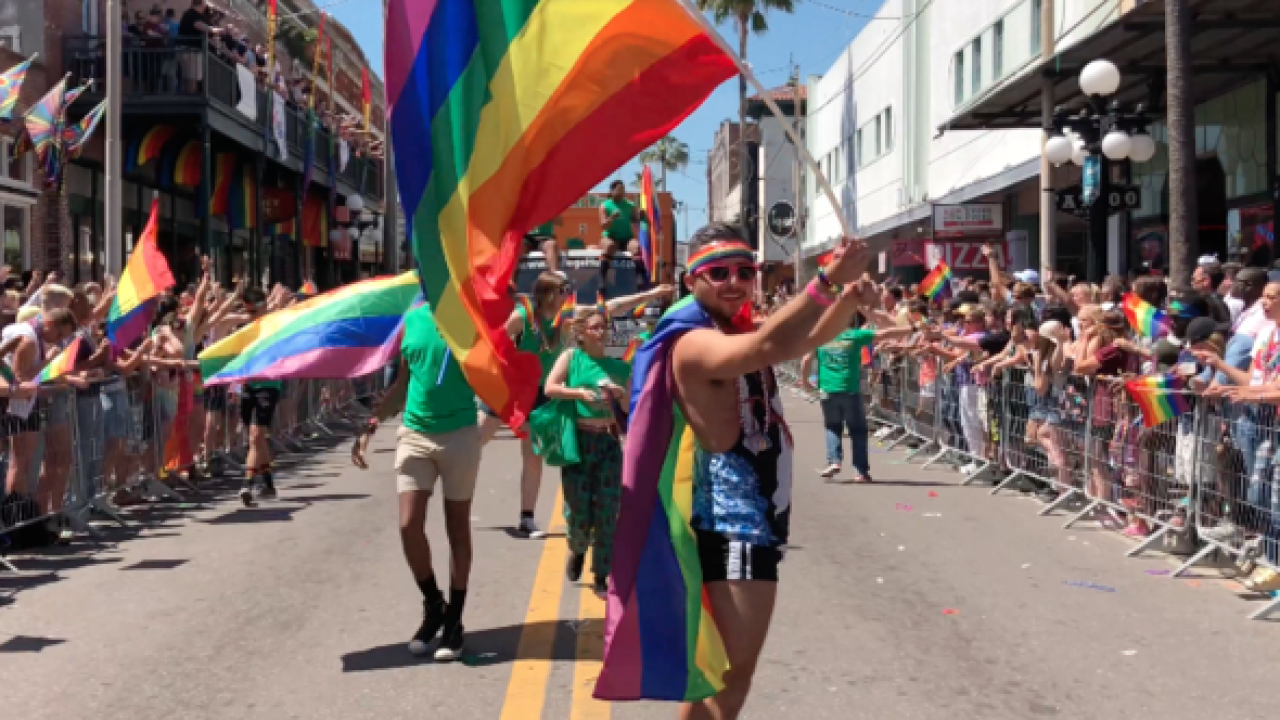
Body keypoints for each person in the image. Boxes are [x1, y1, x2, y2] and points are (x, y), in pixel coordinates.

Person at [597, 222, 871, 719]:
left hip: (752, 517)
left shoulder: (731, 330)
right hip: (733, 525)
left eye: (745, 271)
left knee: (726, 677)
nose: (734, 282)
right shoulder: (691, 342)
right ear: (691, 280)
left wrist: (847, 299)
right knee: (730, 679)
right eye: (718, 272)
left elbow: (797, 342)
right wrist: (827, 282)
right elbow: (768, 346)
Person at [477, 273, 671, 537]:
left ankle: (527, 518)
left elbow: (612, 307)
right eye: (562, 289)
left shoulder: (568, 316)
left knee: (533, 456)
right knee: (474, 441)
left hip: (541, 394)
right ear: (547, 293)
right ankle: (452, 483)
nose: (567, 294)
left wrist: (651, 294)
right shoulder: (524, 317)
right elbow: (492, 343)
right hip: (512, 390)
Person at [352, 303, 479, 660]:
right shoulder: (412, 321)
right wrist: (371, 425)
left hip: (460, 434)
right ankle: (434, 603)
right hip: (415, 434)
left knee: (457, 527)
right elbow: (402, 384)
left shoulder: (472, 319)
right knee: (408, 524)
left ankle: (454, 620)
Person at [543, 306, 632, 597]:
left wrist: (620, 396)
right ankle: (578, 547)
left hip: (608, 442)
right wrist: (578, 393)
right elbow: (550, 387)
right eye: (595, 327)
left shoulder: (620, 367)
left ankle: (602, 574)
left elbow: (630, 409)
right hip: (579, 441)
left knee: (607, 510)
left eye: (604, 326)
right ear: (582, 333)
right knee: (579, 510)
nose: (601, 332)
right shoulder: (572, 358)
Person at [800, 305, 912, 482]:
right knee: (858, 430)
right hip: (849, 388)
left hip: (827, 389)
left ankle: (834, 461)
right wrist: (912, 328)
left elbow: (806, 360)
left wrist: (805, 382)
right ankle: (861, 472)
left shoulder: (821, 337)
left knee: (832, 426)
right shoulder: (854, 335)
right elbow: (885, 334)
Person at [599, 180, 641, 283]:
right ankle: (602, 280)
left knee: (636, 247)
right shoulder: (604, 205)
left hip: (627, 238)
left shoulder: (630, 205)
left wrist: (640, 216)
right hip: (610, 237)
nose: (622, 192)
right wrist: (612, 218)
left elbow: (635, 220)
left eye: (623, 189)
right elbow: (603, 225)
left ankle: (639, 279)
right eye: (619, 189)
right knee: (609, 246)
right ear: (612, 191)